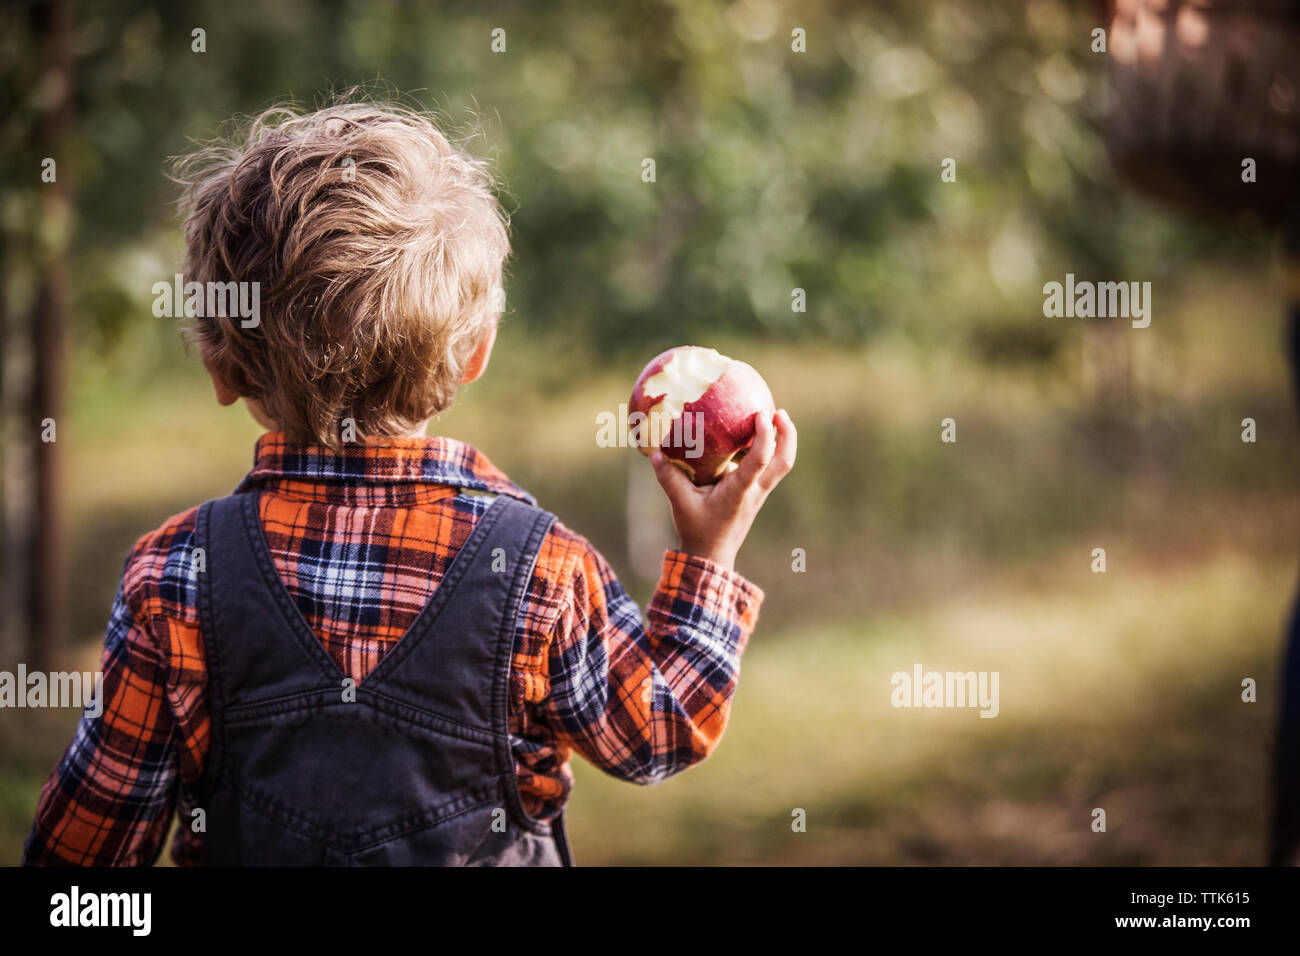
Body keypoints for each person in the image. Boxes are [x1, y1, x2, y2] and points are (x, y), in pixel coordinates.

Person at [22, 101, 796, 866]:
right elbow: (655, 738)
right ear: (475, 356)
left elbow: (83, 860)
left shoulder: (172, 578)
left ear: (221, 367)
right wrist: (707, 556)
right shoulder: (542, 575)